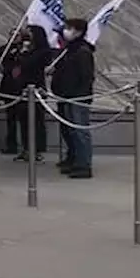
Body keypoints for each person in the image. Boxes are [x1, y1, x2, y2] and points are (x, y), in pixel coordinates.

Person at [49, 18, 95, 179]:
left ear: (78, 31)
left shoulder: (82, 51)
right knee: (70, 131)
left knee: (80, 131)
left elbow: (86, 77)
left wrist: (75, 94)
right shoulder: (70, 50)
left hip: (77, 97)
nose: (66, 31)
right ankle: (74, 159)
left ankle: (84, 165)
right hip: (67, 95)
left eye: (70, 28)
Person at [1, 26, 51, 162]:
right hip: (20, 89)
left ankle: (36, 149)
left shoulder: (42, 51)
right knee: (23, 120)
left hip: (35, 89)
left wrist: (23, 53)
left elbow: (29, 64)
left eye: (29, 32)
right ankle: (26, 148)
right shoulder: (23, 49)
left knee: (36, 121)